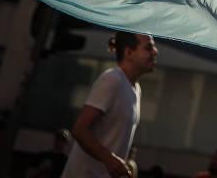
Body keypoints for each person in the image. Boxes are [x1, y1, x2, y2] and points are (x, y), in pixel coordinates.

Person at [62, 32, 158, 177]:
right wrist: (110, 160)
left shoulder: (136, 89)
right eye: (148, 48)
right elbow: (79, 130)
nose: (155, 52)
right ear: (129, 52)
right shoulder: (112, 79)